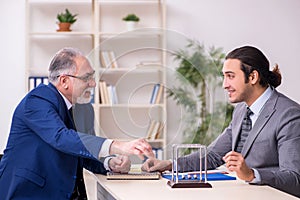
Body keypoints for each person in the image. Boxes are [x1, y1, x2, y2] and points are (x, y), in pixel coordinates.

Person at [142, 45, 300, 198]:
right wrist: (170, 164)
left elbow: (294, 178)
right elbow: (213, 156)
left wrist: (252, 174)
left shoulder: (289, 115)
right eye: (224, 77)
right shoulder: (241, 110)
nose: (225, 85)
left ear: (253, 77)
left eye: (230, 76)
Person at [0, 47, 154, 199]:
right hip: (32, 192)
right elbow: (61, 137)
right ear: (64, 81)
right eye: (86, 78)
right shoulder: (37, 101)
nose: (93, 84)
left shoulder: (84, 108)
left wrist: (110, 163)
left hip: (68, 192)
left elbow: (83, 150)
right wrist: (117, 145)